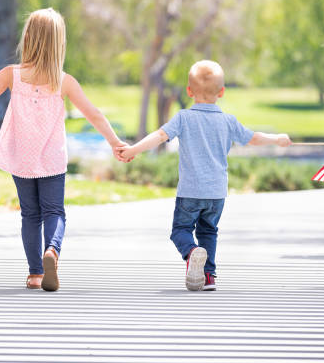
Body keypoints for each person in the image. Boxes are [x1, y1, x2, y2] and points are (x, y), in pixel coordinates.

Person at [0, 8, 128, 291]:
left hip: (21, 155)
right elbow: (93, 114)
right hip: (52, 158)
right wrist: (114, 141)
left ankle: (35, 273)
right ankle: (52, 251)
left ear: (28, 39)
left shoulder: (12, 75)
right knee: (54, 211)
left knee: (30, 214)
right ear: (59, 43)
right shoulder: (64, 81)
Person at [117, 60, 291, 291]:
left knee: (180, 231)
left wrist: (133, 149)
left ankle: (191, 252)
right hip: (217, 193)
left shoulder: (184, 118)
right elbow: (253, 138)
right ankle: (209, 277)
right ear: (222, 92)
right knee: (209, 231)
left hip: (190, 190)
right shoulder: (228, 121)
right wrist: (277, 139)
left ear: (189, 91)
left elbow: (160, 136)